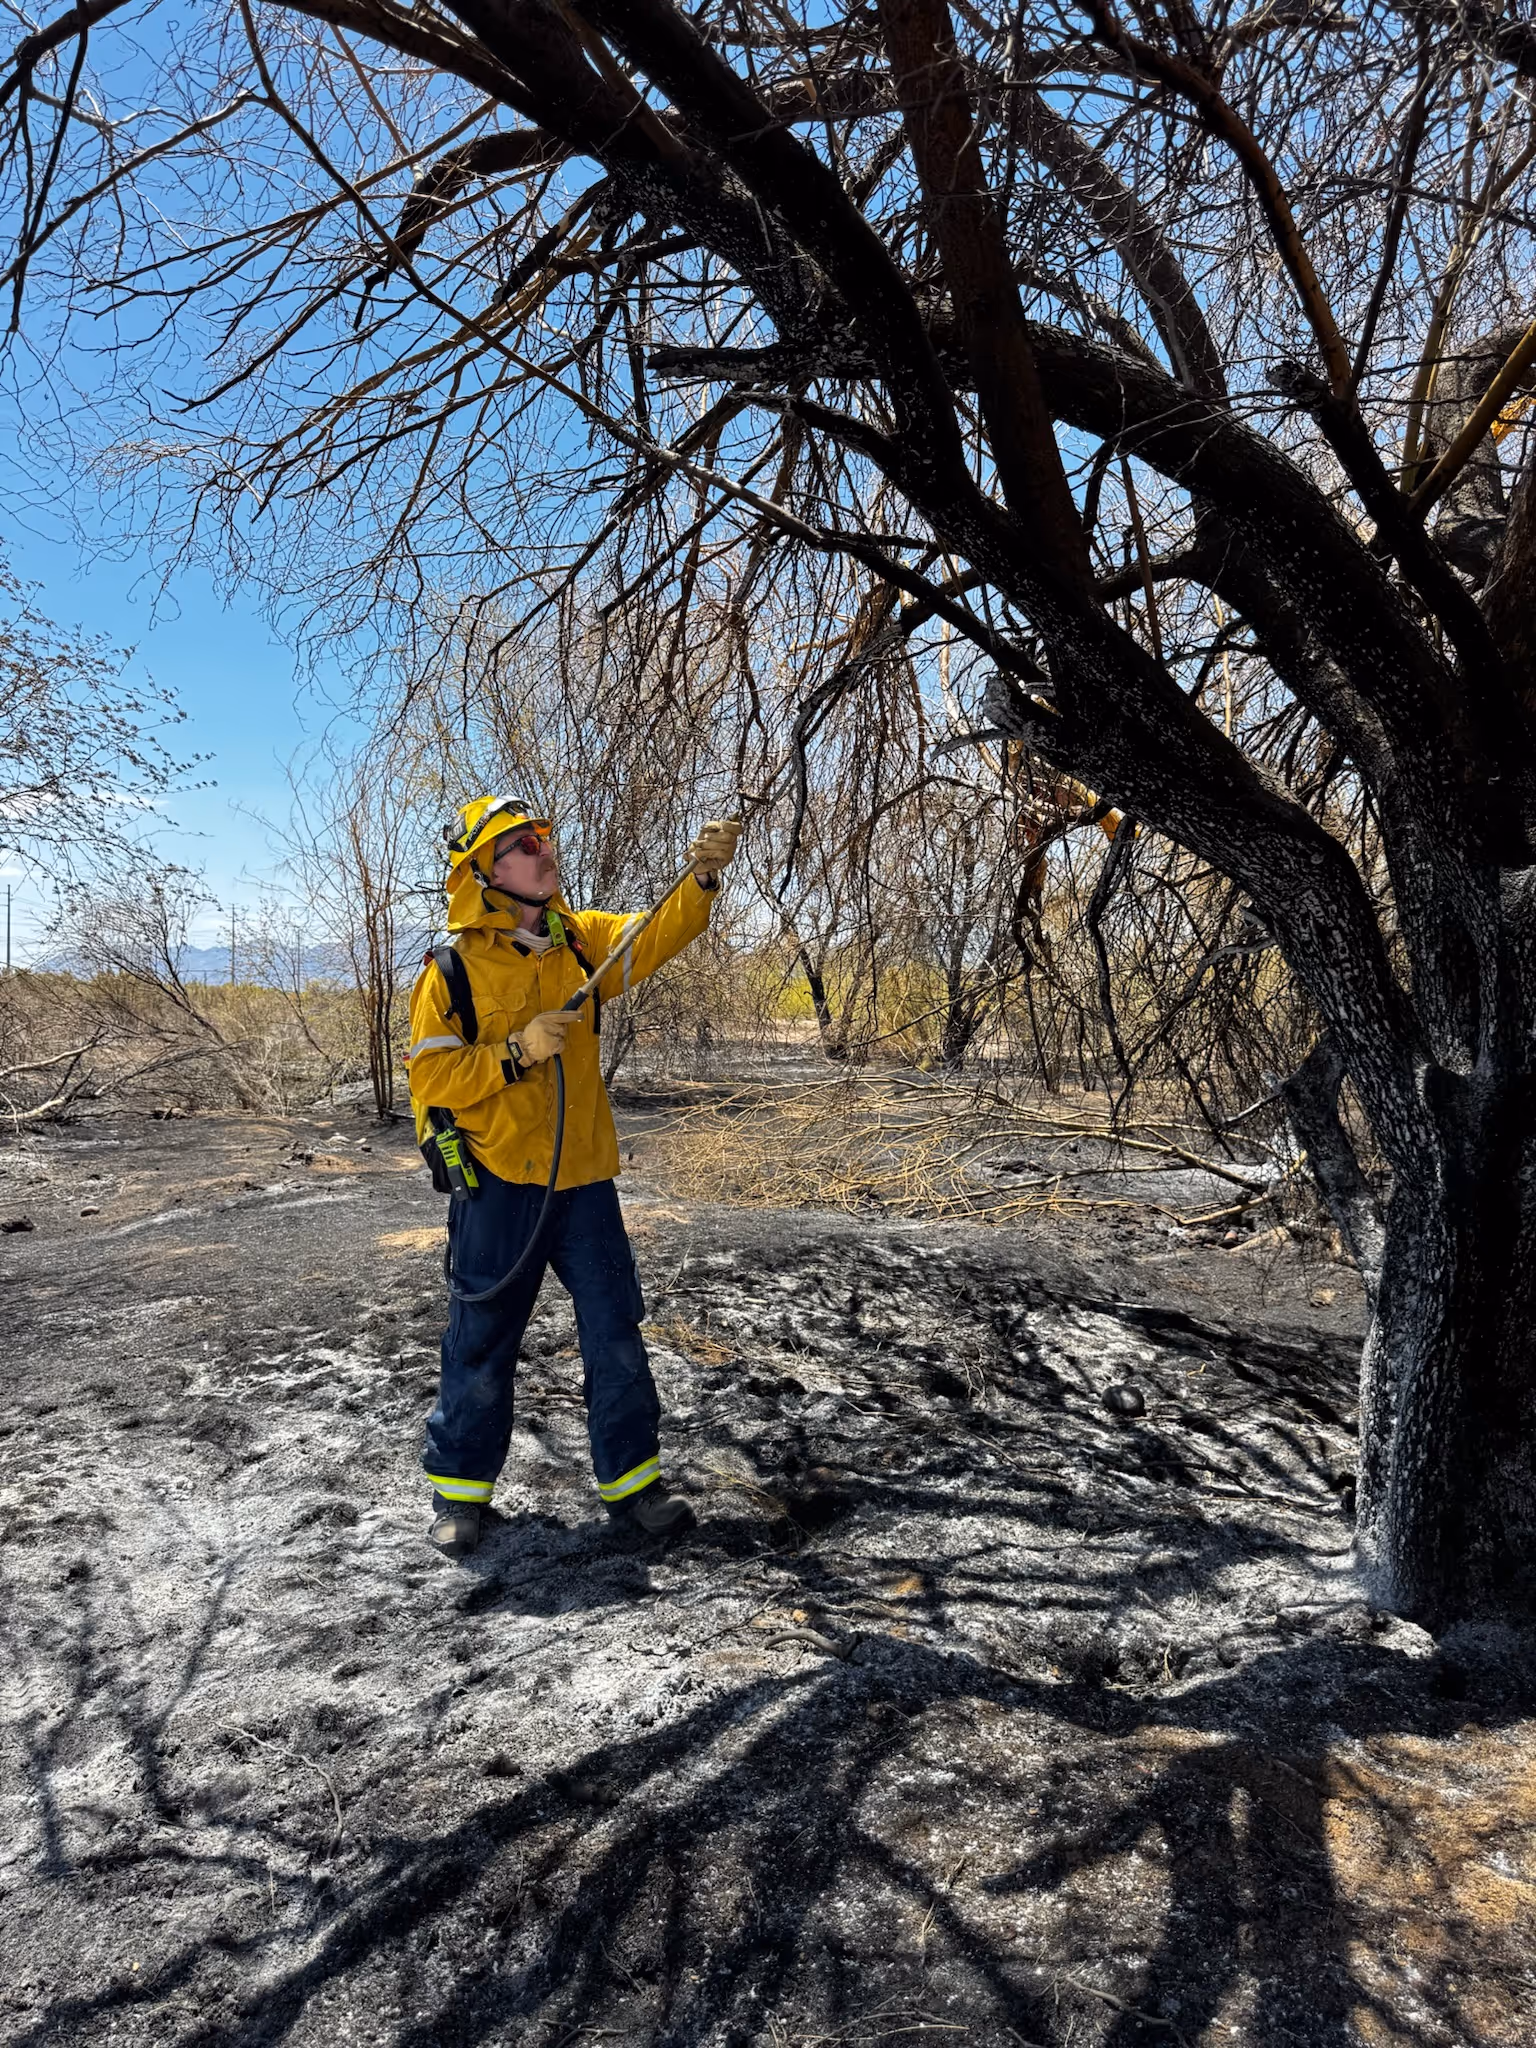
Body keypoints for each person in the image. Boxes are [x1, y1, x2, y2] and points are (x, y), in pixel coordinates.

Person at [405, 795, 741, 1559]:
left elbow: (655, 932)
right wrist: (515, 1053)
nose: (541, 850)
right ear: (483, 872)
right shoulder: (451, 970)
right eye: (521, 844)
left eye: (543, 837)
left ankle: (633, 1485)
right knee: (481, 1340)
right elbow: (431, 1082)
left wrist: (700, 880)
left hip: (583, 1181)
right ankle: (459, 1494)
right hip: (498, 1185)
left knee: (614, 1333)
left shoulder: (580, 940)